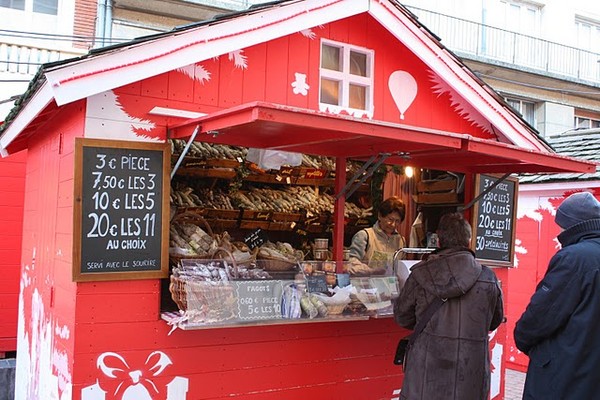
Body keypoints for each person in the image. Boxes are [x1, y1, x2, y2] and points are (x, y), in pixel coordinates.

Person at [394, 212, 504, 400]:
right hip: (471, 373)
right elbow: (494, 321)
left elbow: (402, 316)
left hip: (425, 373)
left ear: (438, 241)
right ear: (469, 241)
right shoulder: (488, 278)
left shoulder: (420, 274)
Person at [514, 191, 600, 400]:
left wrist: (522, 338)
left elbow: (541, 315)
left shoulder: (573, 258)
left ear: (570, 225)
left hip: (564, 373)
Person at [347, 196, 406, 275]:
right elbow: (351, 263)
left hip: (390, 286)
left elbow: (401, 268)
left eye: (397, 221)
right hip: (365, 285)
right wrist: (371, 272)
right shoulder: (364, 236)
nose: (393, 224)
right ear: (380, 216)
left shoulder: (401, 241)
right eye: (390, 219)